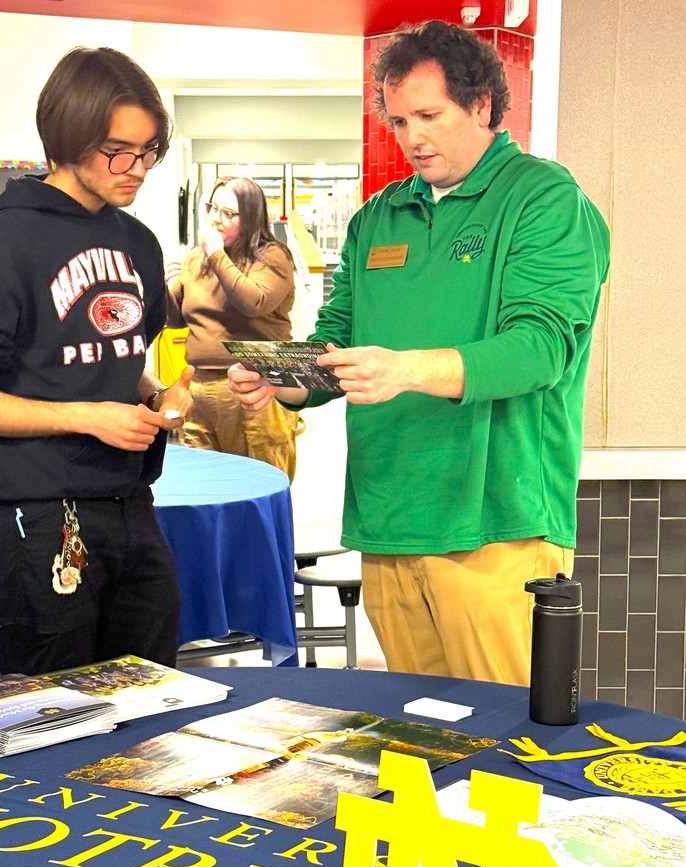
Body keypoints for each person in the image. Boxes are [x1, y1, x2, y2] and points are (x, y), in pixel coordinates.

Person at [229, 20, 610, 686]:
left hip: (496, 525)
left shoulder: (544, 199)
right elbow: (336, 339)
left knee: (510, 747)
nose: (412, 138)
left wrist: (406, 369)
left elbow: (539, 349)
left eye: (429, 116)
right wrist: (282, 377)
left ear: (483, 106)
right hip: (387, 519)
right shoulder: (377, 217)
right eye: (400, 121)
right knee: (425, 740)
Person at [0, 46, 194, 676]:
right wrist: (88, 417)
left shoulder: (136, 241)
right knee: (58, 709)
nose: (138, 167)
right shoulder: (1, 245)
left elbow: (112, 356)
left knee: (153, 692)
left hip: (132, 503)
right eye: (118, 150)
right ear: (69, 137)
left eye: (150, 150)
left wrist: (156, 395)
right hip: (44, 516)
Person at [166, 176, 301, 480]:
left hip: (255, 387)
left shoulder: (272, 256)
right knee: (204, 485)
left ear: (251, 217)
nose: (217, 220)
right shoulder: (196, 257)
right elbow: (176, 319)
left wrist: (216, 255)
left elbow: (254, 302)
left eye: (229, 214)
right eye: (214, 209)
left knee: (259, 481)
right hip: (200, 389)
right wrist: (161, 287)